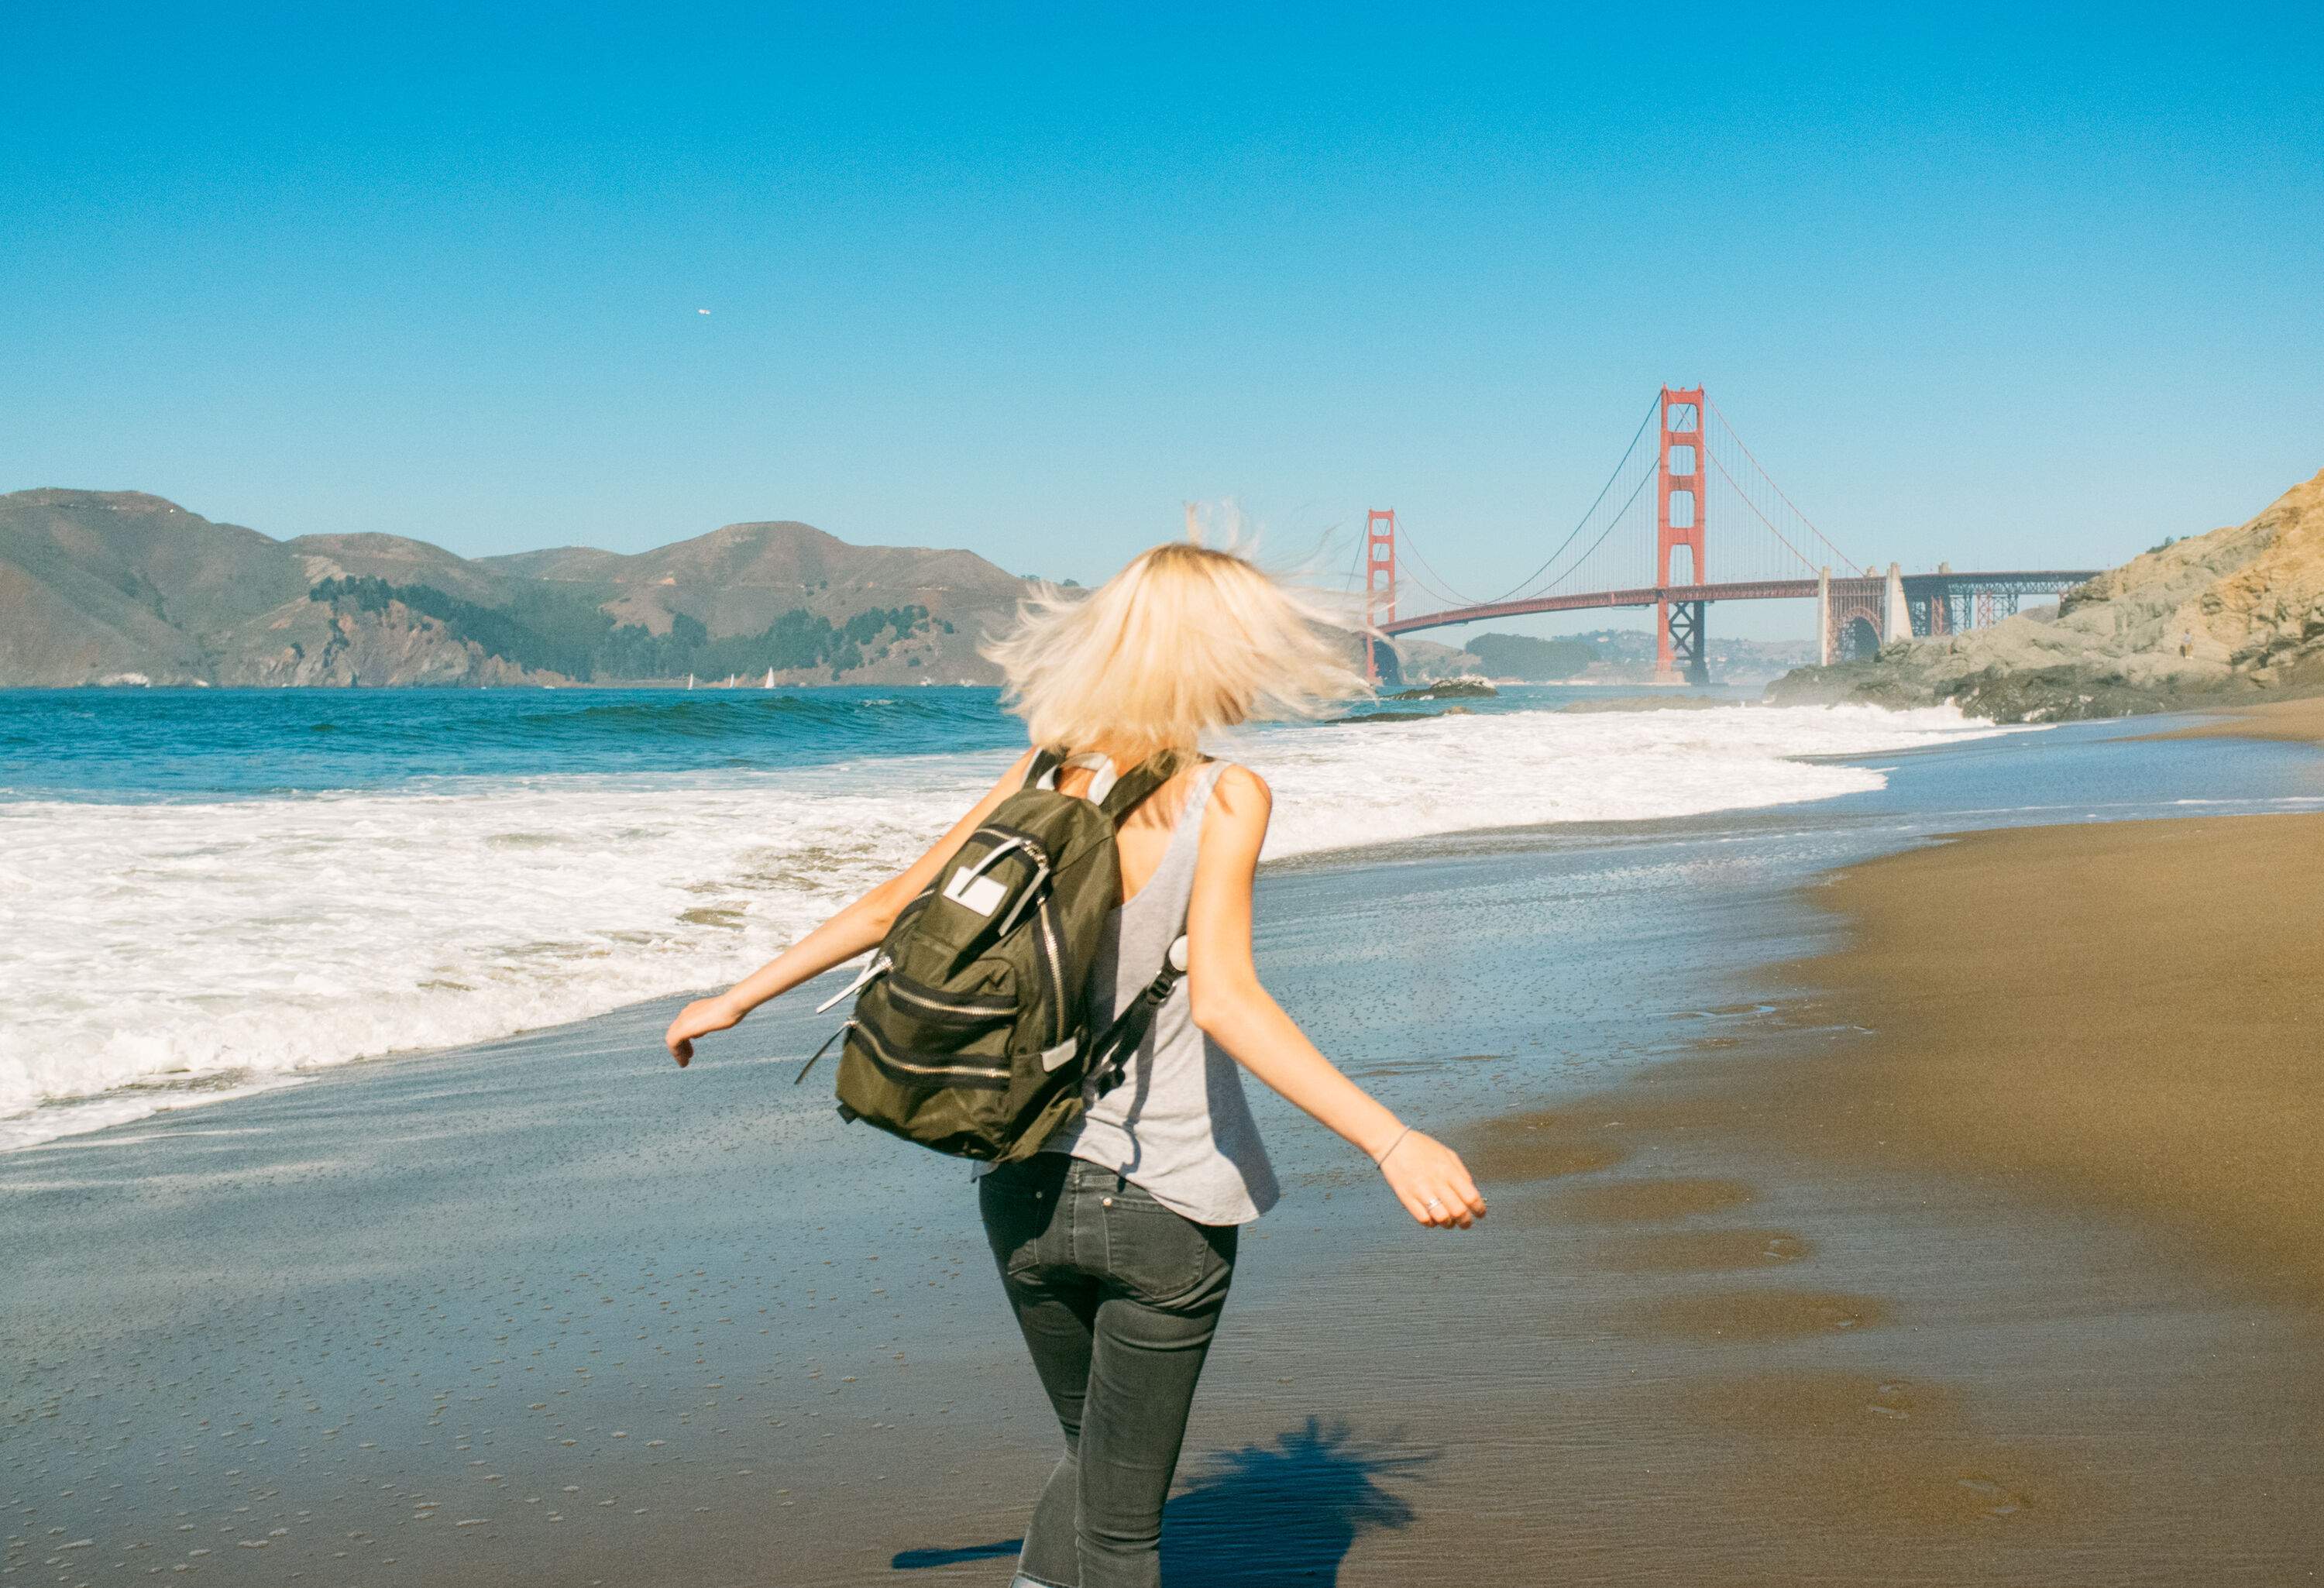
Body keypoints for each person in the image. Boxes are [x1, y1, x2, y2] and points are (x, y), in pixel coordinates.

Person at [662, 538, 1488, 1588]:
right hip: (1167, 1209)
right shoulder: (1226, 795)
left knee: (1094, 1472)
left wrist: (737, 997)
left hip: (1020, 1194)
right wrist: (1392, 1137)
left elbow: (895, 909)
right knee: (1122, 1531)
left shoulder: (1043, 766)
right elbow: (1228, 997)